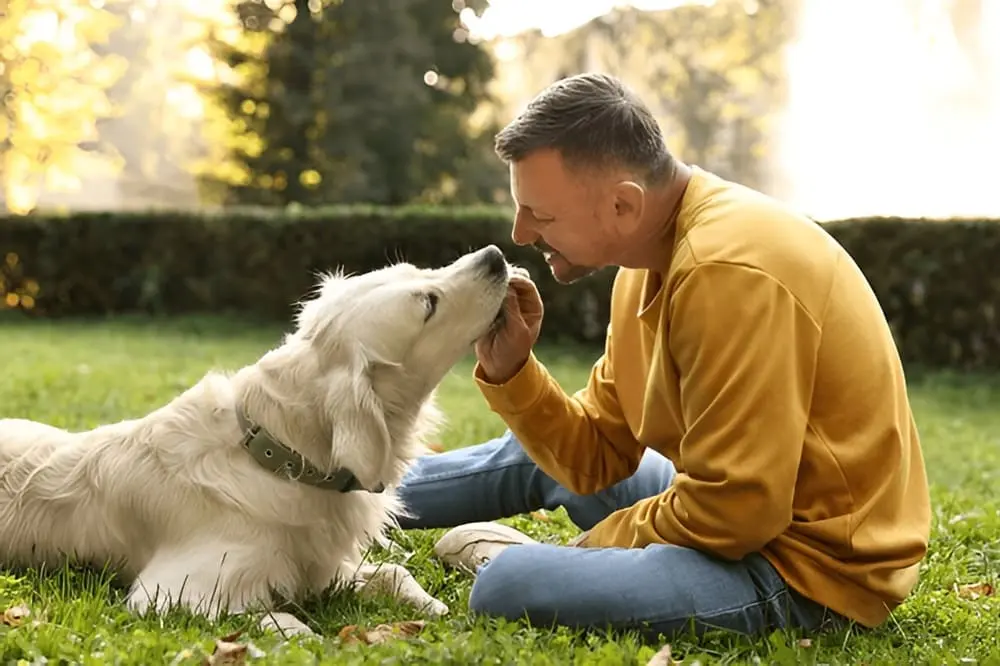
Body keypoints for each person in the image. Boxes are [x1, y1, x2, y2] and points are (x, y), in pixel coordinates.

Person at [393, 72, 931, 640]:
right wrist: (513, 373)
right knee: (532, 455)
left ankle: (532, 564)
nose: (521, 233)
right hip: (735, 517)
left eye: (541, 216)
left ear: (624, 204)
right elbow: (596, 453)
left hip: (807, 570)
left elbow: (738, 510)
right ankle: (340, 488)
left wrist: (590, 548)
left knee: (505, 586)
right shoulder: (646, 262)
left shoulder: (726, 270)